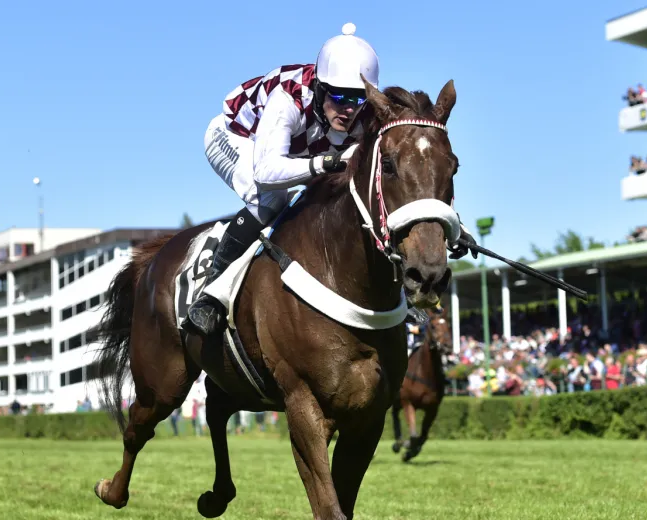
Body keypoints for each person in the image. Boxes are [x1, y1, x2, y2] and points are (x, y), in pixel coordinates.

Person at [186, 24, 475, 336]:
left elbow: (397, 179)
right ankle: (211, 291)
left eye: (357, 99)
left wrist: (454, 223)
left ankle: (396, 292)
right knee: (272, 199)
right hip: (237, 138)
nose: (348, 109)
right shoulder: (288, 99)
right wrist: (325, 163)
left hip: (299, 150)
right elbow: (266, 173)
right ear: (320, 88)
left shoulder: (366, 113)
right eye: (338, 97)